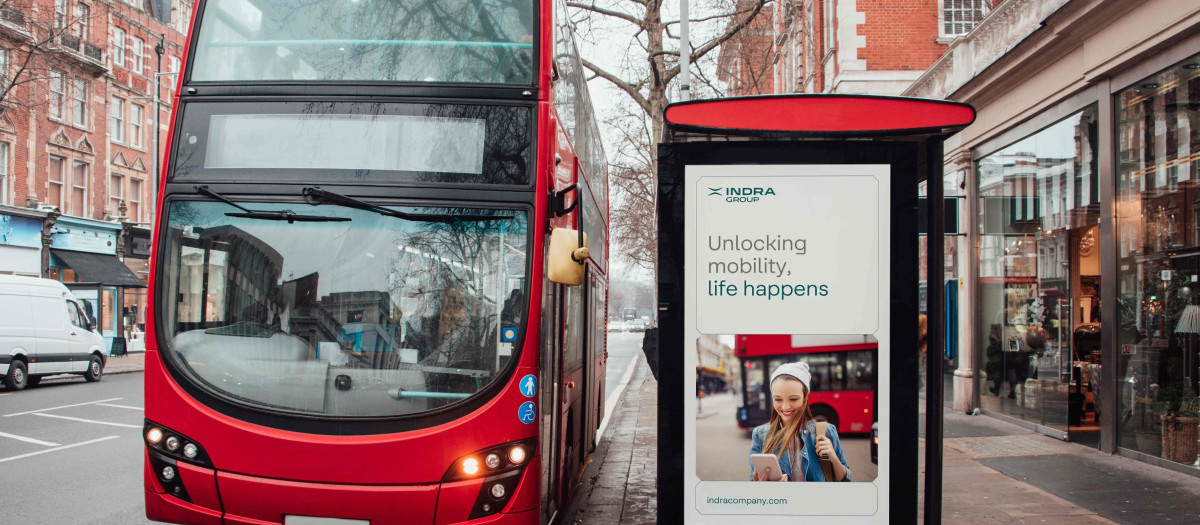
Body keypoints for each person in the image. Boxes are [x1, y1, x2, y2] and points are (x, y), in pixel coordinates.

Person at [749, 361, 852, 482]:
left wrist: (833, 458)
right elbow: (754, 484)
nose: (786, 407)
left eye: (793, 399)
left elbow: (845, 482)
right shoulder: (760, 435)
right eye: (778, 399)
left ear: (805, 397)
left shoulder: (827, 431)